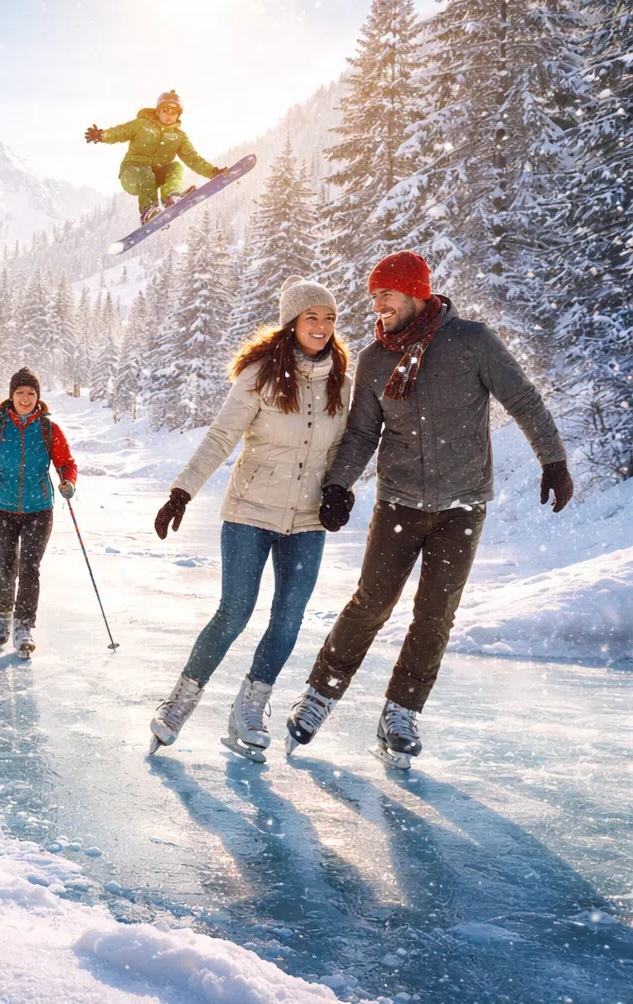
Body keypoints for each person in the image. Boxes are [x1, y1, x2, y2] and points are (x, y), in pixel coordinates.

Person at [284, 250, 574, 768]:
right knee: (371, 602)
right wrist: (339, 486)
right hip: (399, 500)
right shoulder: (376, 359)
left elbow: (523, 399)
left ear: (417, 293)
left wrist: (552, 460)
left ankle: (401, 711)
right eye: (374, 297)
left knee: (435, 615)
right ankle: (320, 694)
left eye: (387, 295)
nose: (379, 305)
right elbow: (361, 433)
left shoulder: (472, 342)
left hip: (462, 506)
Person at [146, 278, 350, 762]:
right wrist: (182, 491)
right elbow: (220, 438)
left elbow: (348, 447)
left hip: (307, 520)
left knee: (288, 618)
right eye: (311, 318)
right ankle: (180, 701)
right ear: (291, 323)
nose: (321, 327)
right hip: (249, 513)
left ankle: (250, 708)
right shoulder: (260, 375)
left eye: (329, 318)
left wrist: (342, 489)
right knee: (234, 611)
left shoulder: (343, 381)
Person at [0, 367, 79, 659]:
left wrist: (68, 482)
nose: (25, 398)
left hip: (39, 509)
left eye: (31, 393)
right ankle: (3, 615)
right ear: (11, 396)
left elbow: (66, 463)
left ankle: (24, 625)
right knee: (6, 567)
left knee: (30, 568)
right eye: (20, 393)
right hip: (1, 507)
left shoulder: (49, 429)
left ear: (38, 397)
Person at [84, 90, 228, 225]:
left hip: (154, 177)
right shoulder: (142, 124)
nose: (169, 115)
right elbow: (120, 132)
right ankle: (149, 210)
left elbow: (194, 159)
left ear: (179, 115)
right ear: (158, 111)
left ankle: (171, 197)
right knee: (146, 173)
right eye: (165, 110)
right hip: (132, 174)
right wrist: (102, 135)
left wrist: (213, 172)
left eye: (174, 111)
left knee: (175, 167)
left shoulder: (179, 137)